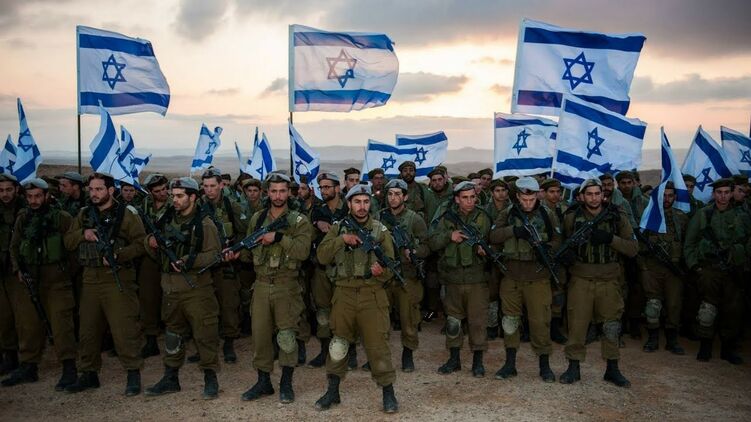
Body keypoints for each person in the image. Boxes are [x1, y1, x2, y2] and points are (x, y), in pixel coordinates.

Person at [314, 183, 398, 413]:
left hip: (372, 294)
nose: (362, 206)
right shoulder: (338, 228)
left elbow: (391, 265)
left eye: (366, 202)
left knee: (378, 346)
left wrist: (382, 272)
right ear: (349, 204)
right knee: (338, 344)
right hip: (344, 293)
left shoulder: (380, 230)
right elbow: (321, 256)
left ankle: (388, 392)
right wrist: (342, 240)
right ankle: (333, 391)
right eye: (357, 202)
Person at [229, 173, 312, 404]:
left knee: (286, 336)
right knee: (261, 336)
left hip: (287, 285)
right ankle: (263, 381)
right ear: (267, 193)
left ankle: (286, 383)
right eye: (274, 191)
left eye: (282, 191)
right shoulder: (257, 219)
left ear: (289, 193)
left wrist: (278, 238)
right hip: (262, 284)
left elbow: (303, 251)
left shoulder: (298, 221)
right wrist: (236, 254)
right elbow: (249, 253)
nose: (278, 195)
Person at [63, 172, 147, 395]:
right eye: (91, 189)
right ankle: (89, 373)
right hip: (90, 279)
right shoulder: (83, 214)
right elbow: (68, 241)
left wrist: (119, 255)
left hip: (117, 278)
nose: (94, 193)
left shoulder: (126, 214)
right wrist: (83, 234)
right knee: (88, 329)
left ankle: (133, 373)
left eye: (99, 189)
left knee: (124, 329)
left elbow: (142, 243)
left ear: (110, 190)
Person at [143, 177, 222, 399]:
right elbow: (152, 247)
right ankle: (171, 378)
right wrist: (150, 242)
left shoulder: (204, 223)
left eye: (179, 196)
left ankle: (210, 378)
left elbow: (215, 255)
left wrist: (189, 260)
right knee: (172, 335)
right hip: (170, 289)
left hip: (196, 290)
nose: (175, 200)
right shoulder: (167, 218)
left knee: (204, 335)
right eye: (173, 196)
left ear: (193, 197)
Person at [559, 178, 637, 388]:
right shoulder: (571, 217)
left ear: (603, 195)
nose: (593, 198)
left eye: (597, 193)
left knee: (611, 325)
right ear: (581, 196)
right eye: (589, 194)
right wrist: (566, 256)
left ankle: (612, 368)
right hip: (580, 278)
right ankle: (573, 366)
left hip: (609, 279)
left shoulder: (617, 216)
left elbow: (632, 248)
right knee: (577, 325)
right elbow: (561, 244)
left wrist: (610, 239)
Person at [2, 179, 76, 389]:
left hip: (57, 281)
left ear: (46, 196)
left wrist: (65, 274)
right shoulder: (23, 218)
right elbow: (14, 247)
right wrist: (18, 269)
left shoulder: (62, 218)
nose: (33, 201)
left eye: (37, 196)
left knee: (61, 326)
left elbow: (73, 249)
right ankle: (29, 366)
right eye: (29, 197)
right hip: (31, 281)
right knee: (28, 325)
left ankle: (69, 367)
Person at [489, 177, 561, 382]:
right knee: (510, 321)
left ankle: (544, 366)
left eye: (531, 199)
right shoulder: (507, 213)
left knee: (540, 322)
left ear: (538, 195)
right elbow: (493, 236)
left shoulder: (547, 214)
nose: (528, 203)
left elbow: (558, 240)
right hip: (511, 276)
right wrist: (513, 231)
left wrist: (546, 248)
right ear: (518, 197)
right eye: (524, 199)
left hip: (538, 277)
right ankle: (510, 364)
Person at [429, 181, 492, 378]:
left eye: (472, 197)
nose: (469, 201)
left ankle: (478, 362)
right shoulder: (445, 217)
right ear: (457, 199)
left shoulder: (484, 217)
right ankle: (454, 359)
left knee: (477, 322)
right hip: (453, 279)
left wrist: (486, 251)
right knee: (453, 321)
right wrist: (450, 235)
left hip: (476, 279)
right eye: (465, 198)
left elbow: (495, 242)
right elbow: (432, 242)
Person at [684, 178, 751, 364]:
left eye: (726, 192)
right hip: (709, 269)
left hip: (733, 270)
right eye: (719, 192)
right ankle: (705, 346)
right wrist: (695, 266)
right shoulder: (703, 214)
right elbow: (690, 243)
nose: (723, 196)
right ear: (714, 194)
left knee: (733, 309)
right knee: (707, 308)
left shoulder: (742, 216)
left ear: (731, 194)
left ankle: (727, 349)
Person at [380, 179, 429, 372]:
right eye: (390, 194)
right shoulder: (379, 217)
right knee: (380, 319)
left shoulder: (414, 219)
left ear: (405, 197)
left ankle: (407, 354)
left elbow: (427, 246)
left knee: (409, 318)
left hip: (407, 276)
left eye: (397, 194)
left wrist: (414, 252)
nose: (393, 198)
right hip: (385, 276)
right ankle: (379, 355)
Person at [200, 167, 248, 363]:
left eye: (213, 186)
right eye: (206, 186)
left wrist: (236, 250)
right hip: (203, 263)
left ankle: (229, 342)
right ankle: (206, 345)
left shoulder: (231, 206)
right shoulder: (198, 206)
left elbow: (244, 232)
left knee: (229, 304)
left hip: (226, 264)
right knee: (204, 306)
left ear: (221, 185)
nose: (209, 190)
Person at [639, 182, 688, 355]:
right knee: (653, 304)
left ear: (675, 197)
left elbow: (687, 243)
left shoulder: (681, 217)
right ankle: (653, 338)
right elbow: (638, 244)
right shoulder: (649, 216)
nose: (667, 199)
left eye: (670, 195)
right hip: (652, 268)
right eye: (664, 195)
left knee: (674, 305)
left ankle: (672, 340)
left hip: (673, 269)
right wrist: (644, 267)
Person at [307, 172, 348, 368]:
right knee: (323, 312)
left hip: (343, 269)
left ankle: (348, 351)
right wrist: (316, 223)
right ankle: (324, 350)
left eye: (327, 187)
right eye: (321, 187)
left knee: (345, 311)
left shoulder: (348, 208)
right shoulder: (317, 211)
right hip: (322, 269)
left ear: (337, 188)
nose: (323, 191)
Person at [138, 173, 173, 358]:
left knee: (171, 297)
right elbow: (137, 230)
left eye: (164, 189)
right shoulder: (144, 205)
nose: (162, 193)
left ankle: (174, 336)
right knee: (148, 297)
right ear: (150, 192)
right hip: (150, 256)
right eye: (157, 191)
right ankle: (151, 338)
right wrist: (148, 239)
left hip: (171, 255)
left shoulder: (175, 203)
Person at [0, 174, 22, 377]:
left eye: (8, 190)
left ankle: (26, 359)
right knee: (3, 315)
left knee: (22, 316)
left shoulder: (24, 210)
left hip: (17, 272)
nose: (5, 194)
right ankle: (9, 354)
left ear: (16, 189)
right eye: (1, 190)